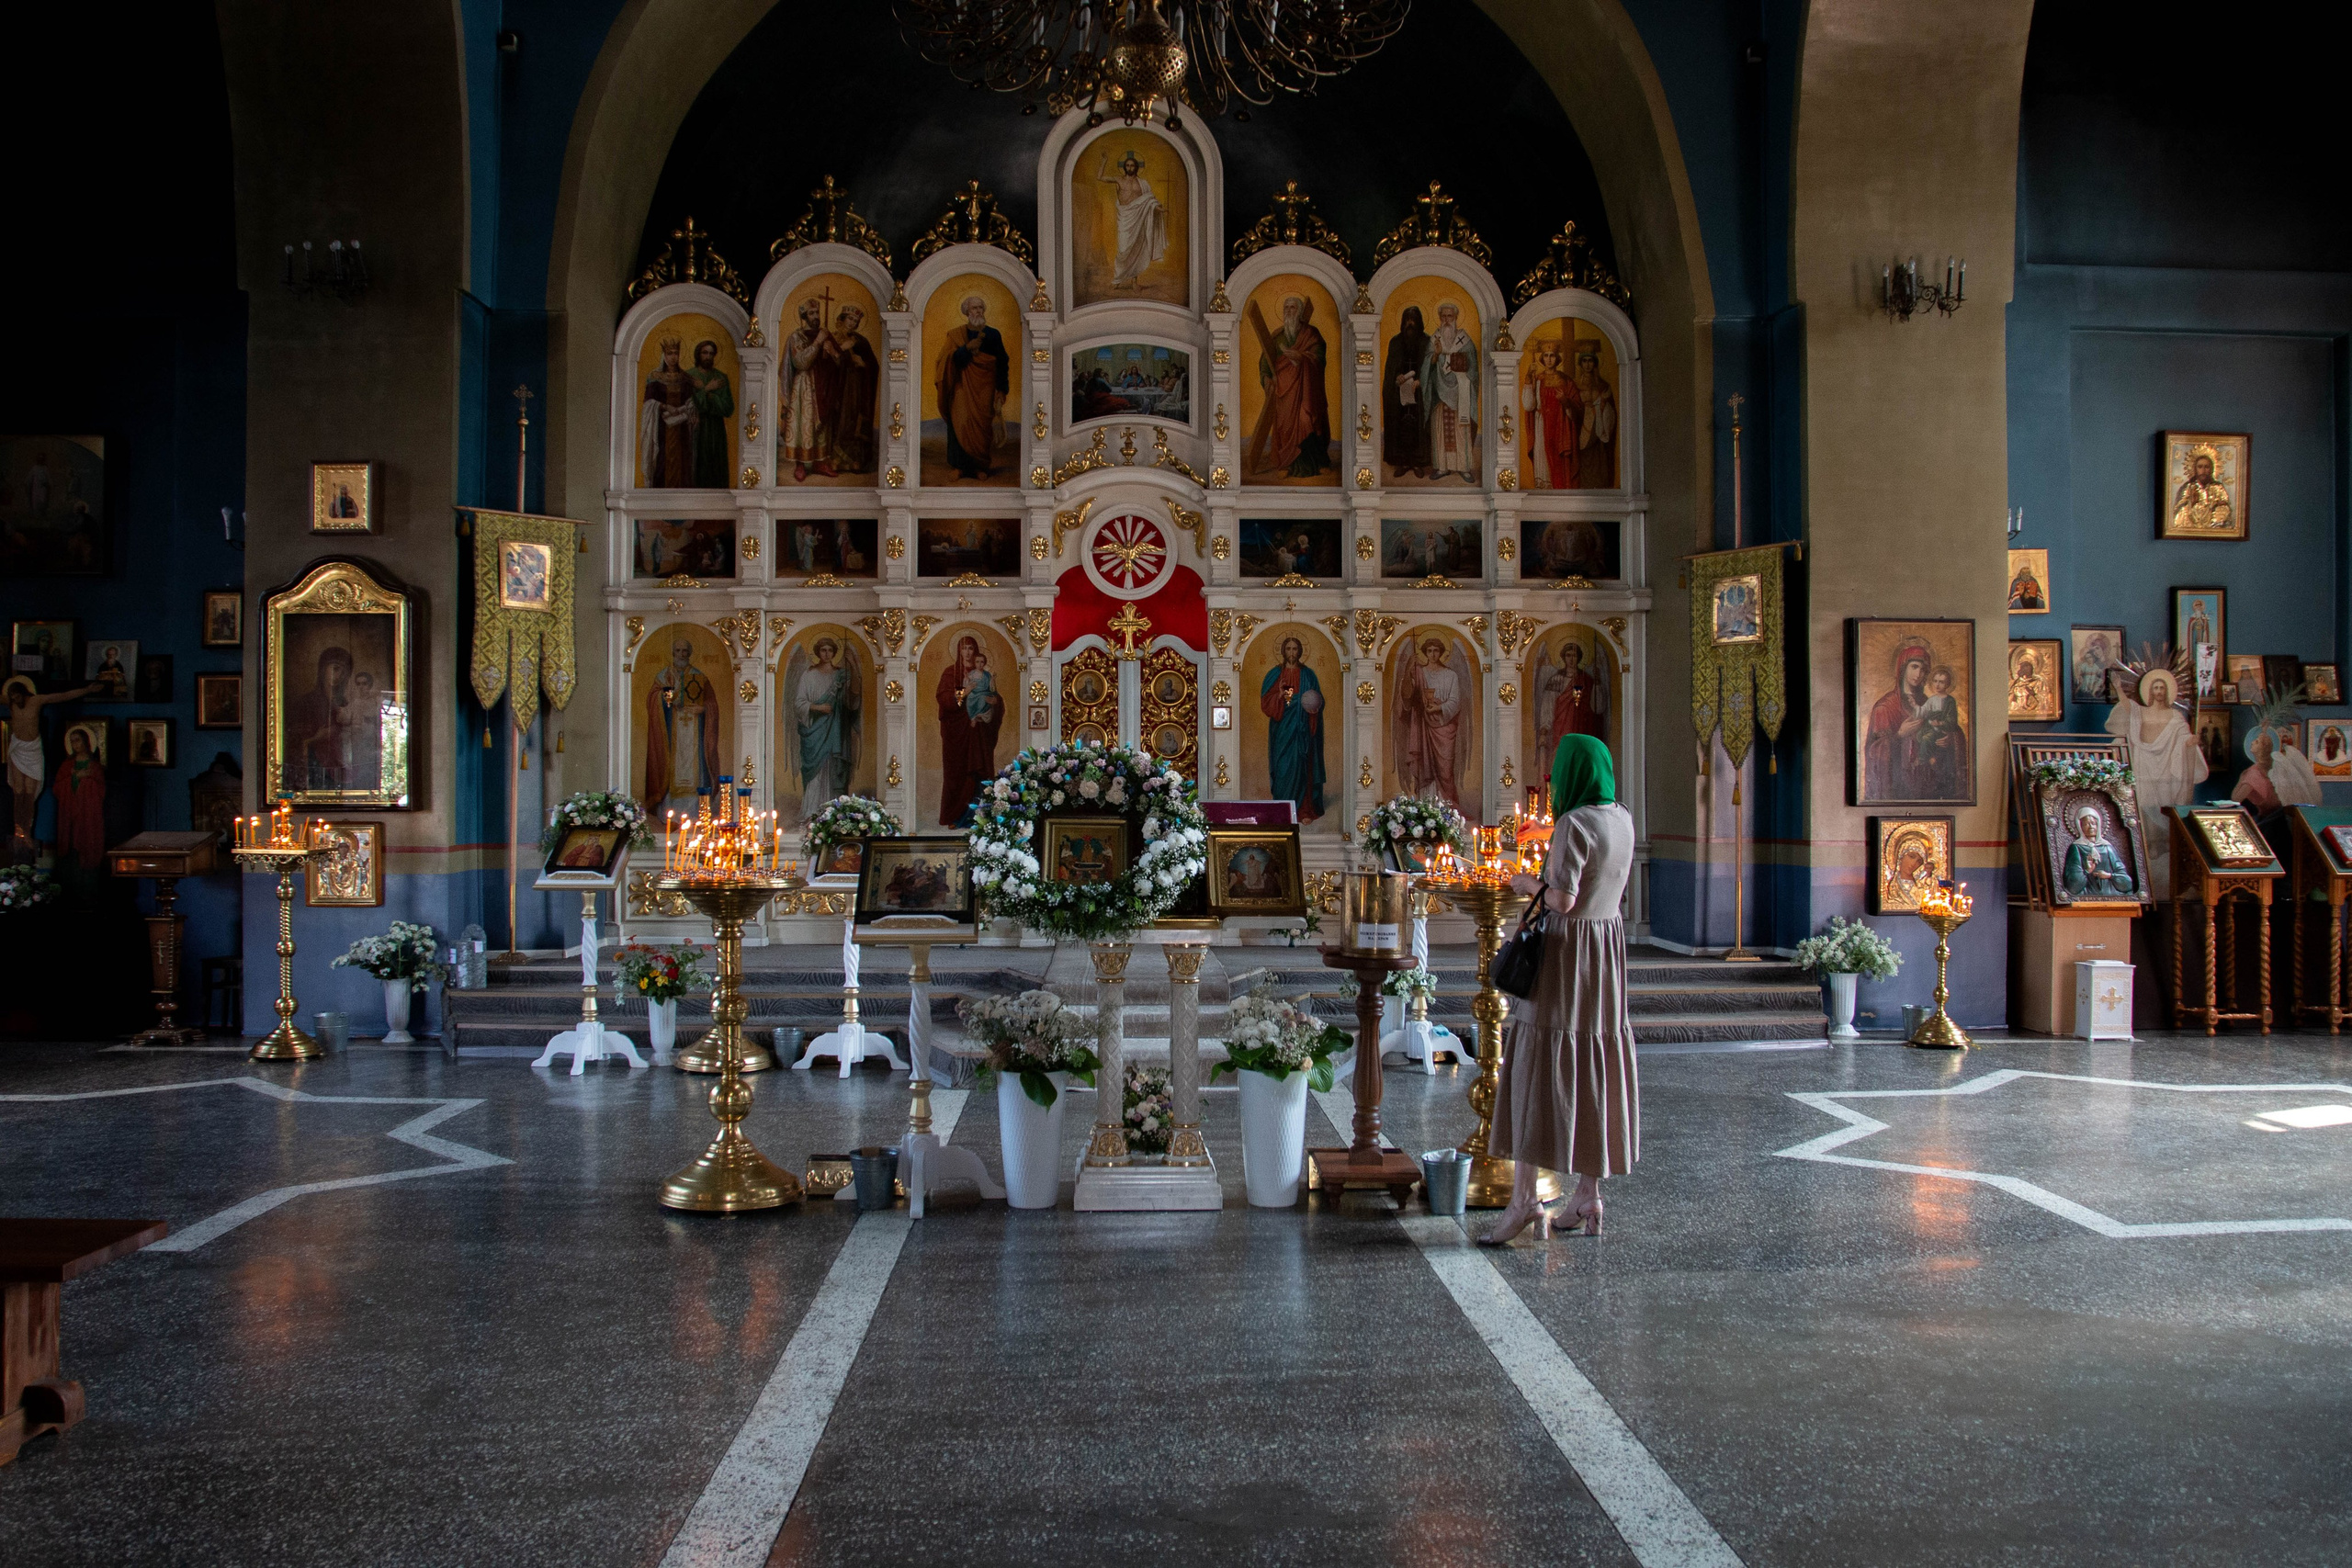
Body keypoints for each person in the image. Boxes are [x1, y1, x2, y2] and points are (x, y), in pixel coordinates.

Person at [1482, 734, 1638, 1245]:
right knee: (1592, 1065)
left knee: (1537, 1065)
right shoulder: (1621, 816)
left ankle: (1525, 1199)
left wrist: (1525, 884)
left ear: (1570, 773)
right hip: (1605, 954)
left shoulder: (1574, 824)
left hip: (1566, 957)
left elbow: (1564, 899)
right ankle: (1588, 1194)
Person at [2105, 669, 2206, 897]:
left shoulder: (2175, 718)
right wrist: (2119, 688)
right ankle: (2143, 862)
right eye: (2155, 687)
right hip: (2144, 767)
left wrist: (2191, 741)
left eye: (2162, 687)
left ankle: (2166, 863)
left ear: (2168, 691)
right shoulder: (2141, 712)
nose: (2159, 691)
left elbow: (2184, 740)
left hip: (2167, 774)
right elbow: (2129, 708)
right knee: (2143, 810)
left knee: (2165, 814)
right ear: (2150, 691)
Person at [6, 675, 96, 862]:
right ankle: (18, 831)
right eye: (11, 697)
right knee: (18, 791)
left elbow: (62, 695)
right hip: (17, 748)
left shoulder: (36, 700)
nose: (14, 700)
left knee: (30, 793)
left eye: (16, 696)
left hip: (32, 750)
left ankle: (27, 832)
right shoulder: (10, 703)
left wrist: (87, 690)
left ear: (23, 693)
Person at [1246, 295, 1331, 479]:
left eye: (1293, 308)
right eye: (1286, 308)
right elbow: (1265, 363)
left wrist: (1303, 358)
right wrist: (1266, 379)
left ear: (1300, 312)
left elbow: (1320, 357)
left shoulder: (1311, 333)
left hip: (1308, 391)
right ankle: (1287, 464)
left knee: (1307, 420)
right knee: (1285, 427)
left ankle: (1316, 463)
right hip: (1284, 394)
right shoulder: (1277, 338)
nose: (1289, 311)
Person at [644, 636, 720, 816]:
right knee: (673, 767)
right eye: (678, 650)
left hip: (695, 732)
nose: (681, 654)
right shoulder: (664, 676)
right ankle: (671, 812)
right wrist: (664, 699)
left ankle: (695, 813)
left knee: (695, 769)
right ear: (672, 653)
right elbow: (653, 700)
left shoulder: (699, 677)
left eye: (685, 651)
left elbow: (712, 704)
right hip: (672, 733)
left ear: (690, 653)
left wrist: (702, 709)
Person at [934, 297, 1009, 480]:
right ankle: (959, 467)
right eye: (974, 308)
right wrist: (966, 349)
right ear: (967, 312)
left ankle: (979, 466)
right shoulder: (956, 335)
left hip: (985, 387)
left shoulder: (993, 334)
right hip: (961, 386)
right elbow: (946, 361)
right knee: (961, 421)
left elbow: (1002, 363)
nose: (978, 311)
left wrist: (1001, 390)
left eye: (980, 308)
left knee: (982, 425)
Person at [933, 635, 1003, 826]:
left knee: (979, 775)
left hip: (979, 733)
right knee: (957, 776)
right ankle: (956, 817)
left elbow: (994, 695)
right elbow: (945, 700)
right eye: (964, 648)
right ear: (958, 650)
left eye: (971, 648)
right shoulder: (951, 673)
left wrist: (995, 702)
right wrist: (965, 692)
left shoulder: (984, 673)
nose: (968, 652)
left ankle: (980, 819)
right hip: (957, 734)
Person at [1396, 637, 1468, 815]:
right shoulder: (1418, 671)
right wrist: (1407, 670)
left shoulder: (1450, 675)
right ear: (1425, 652)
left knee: (1445, 770)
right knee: (1423, 765)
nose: (1433, 654)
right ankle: (1424, 809)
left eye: (1436, 650)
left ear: (1442, 653)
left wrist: (1439, 707)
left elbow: (1456, 701)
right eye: (1429, 651)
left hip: (1444, 727)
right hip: (1422, 726)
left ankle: (1447, 810)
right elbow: (1406, 696)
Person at [1260, 636, 1326, 823]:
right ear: (1283, 651)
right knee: (1283, 767)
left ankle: (1303, 810)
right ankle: (1283, 808)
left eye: (1295, 649)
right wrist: (1280, 695)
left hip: (1303, 730)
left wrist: (1313, 707)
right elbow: (1267, 703)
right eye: (1288, 649)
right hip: (1283, 730)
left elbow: (1318, 700)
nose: (1291, 652)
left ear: (1300, 651)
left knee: (1303, 767)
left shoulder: (1308, 675)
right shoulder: (1276, 674)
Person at [794, 637, 860, 819]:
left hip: (836, 728)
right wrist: (818, 707)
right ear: (817, 652)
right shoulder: (809, 675)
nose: (827, 654)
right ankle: (813, 811)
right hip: (815, 730)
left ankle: (833, 812)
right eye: (823, 650)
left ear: (834, 652)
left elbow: (853, 696)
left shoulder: (841, 674)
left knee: (833, 766)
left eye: (830, 650)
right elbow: (799, 703)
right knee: (816, 770)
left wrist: (853, 664)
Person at [1419, 301, 1480, 481]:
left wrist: (1462, 365)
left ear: (1455, 318)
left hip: (1460, 392)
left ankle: (1463, 467)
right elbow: (1427, 366)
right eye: (1443, 316)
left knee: (1461, 429)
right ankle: (1442, 467)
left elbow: (1474, 370)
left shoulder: (1465, 340)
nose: (1446, 320)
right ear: (1439, 318)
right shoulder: (1434, 340)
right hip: (1439, 393)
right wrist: (1437, 354)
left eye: (1450, 316)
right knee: (1440, 430)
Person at [1096, 149, 1168, 291]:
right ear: (1124, 167)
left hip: (1138, 220)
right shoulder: (1119, 180)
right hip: (1125, 218)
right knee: (1123, 250)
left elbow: (1149, 201)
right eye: (1127, 165)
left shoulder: (1143, 184)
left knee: (1137, 251)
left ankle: (1135, 282)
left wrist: (1160, 210)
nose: (1130, 168)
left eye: (1132, 165)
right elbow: (1100, 177)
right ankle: (1117, 280)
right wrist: (1104, 161)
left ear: (1136, 167)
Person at [638, 334, 696, 487]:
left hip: (681, 427)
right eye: (670, 354)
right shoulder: (655, 377)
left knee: (682, 460)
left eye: (676, 353)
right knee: (662, 459)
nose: (673, 357)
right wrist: (664, 407)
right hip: (661, 426)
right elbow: (648, 403)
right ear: (664, 355)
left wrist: (685, 409)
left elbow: (691, 401)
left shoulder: (685, 378)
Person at [1381, 306, 1431, 478]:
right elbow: (1390, 369)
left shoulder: (1426, 342)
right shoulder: (1395, 342)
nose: (1410, 323)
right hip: (1399, 393)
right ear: (1403, 322)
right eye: (1407, 319)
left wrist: (1421, 381)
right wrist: (1397, 377)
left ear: (1419, 322)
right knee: (1400, 425)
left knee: (1418, 428)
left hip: (1420, 393)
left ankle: (1418, 462)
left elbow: (1430, 368)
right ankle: (1402, 462)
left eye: (1413, 319)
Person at [1520, 340, 1577, 490]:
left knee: (1558, 460)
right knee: (1542, 457)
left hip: (1559, 427)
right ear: (1542, 358)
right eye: (1546, 355)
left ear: (1557, 358)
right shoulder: (1538, 379)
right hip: (1542, 425)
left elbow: (1577, 408)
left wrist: (1565, 402)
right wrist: (1528, 378)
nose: (1549, 359)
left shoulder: (1566, 381)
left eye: (1552, 355)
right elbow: (1529, 405)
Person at [1568, 340, 1618, 488]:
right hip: (1581, 423)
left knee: (1598, 457)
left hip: (1598, 423)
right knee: (1582, 456)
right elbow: (1573, 406)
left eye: (1590, 361)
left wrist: (1603, 407)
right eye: (1584, 361)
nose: (1587, 364)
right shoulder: (1575, 385)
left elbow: (1611, 411)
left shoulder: (1603, 386)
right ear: (1581, 363)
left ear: (1595, 363)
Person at [2062, 806, 2136, 897]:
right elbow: (2072, 886)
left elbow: (2127, 883)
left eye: (2093, 823)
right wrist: (2087, 871)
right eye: (2086, 824)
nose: (2091, 827)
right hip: (2086, 895)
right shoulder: (2076, 848)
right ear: (2079, 826)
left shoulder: (2107, 847)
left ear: (2098, 825)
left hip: (2112, 894)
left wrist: (2109, 876)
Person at [2170, 447, 2233, 533]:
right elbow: (2178, 512)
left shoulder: (2218, 488)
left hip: (2214, 528)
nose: (2203, 470)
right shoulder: (2188, 488)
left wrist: (2216, 509)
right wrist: (2190, 504)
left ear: (2212, 469)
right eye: (2200, 467)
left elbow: (2225, 508)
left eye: (2206, 467)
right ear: (2195, 469)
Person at [961, 651, 997, 723]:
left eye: (982, 662)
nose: (980, 664)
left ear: (985, 663)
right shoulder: (972, 674)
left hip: (986, 693)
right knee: (980, 698)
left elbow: (992, 689)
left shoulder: (987, 674)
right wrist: (966, 678)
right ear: (974, 663)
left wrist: (992, 679)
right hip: (974, 695)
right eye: (977, 662)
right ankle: (974, 716)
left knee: (984, 698)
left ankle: (981, 715)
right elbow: (965, 687)